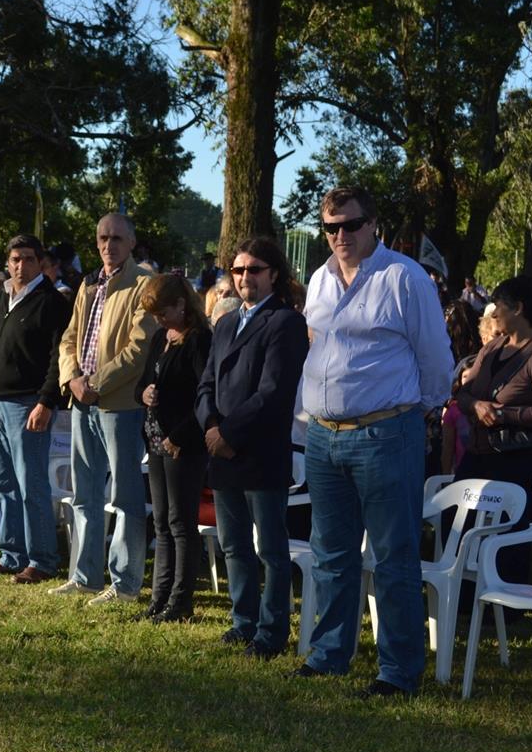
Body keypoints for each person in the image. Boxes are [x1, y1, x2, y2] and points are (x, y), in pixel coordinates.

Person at [296, 186, 453, 697]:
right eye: (330, 227)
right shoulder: (319, 279)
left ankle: (398, 671)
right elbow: (318, 348)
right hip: (324, 437)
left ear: (373, 224)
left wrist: (413, 410)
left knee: (393, 556)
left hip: (387, 433)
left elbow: (435, 357)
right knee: (331, 554)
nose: (340, 236)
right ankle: (328, 655)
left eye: (350, 225)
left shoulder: (404, 277)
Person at [196, 238, 308, 655]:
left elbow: (274, 391)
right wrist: (210, 426)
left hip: (260, 450)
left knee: (272, 551)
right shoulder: (225, 323)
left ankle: (271, 632)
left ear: (273, 274)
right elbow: (206, 382)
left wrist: (228, 434)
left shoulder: (286, 322)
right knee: (234, 545)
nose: (245, 277)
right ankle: (243, 621)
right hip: (221, 451)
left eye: (254, 269)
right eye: (238, 270)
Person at [50, 213, 156, 605]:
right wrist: (73, 379)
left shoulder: (143, 284)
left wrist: (95, 385)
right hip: (82, 403)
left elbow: (138, 348)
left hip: (119, 406)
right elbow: (69, 339)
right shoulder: (89, 283)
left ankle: (125, 584)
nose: (108, 245)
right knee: (85, 494)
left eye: (116, 238)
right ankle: (85, 575)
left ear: (131, 243)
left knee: (126, 498)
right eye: (101, 238)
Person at [454, 276, 532, 580]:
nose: (492, 315)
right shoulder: (493, 349)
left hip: (517, 462)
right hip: (478, 456)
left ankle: (502, 607)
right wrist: (476, 406)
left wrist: (504, 414)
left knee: (504, 540)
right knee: (461, 530)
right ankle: (462, 601)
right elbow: (463, 392)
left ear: (518, 308)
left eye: (498, 307)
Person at [0, 234, 71, 584]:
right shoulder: (2, 295)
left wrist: (46, 401)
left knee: (31, 484)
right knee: (4, 484)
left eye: (28, 259)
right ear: (8, 261)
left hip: (27, 404)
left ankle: (42, 560)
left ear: (41, 263)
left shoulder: (51, 302)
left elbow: (57, 358)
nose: (20, 265)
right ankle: (12, 553)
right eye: (15, 259)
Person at [135, 272, 211, 623]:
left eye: (163, 312)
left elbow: (204, 397)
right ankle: (159, 596)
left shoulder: (199, 341)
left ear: (182, 304)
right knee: (162, 522)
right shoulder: (160, 338)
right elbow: (143, 384)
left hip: (183, 443)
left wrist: (179, 436)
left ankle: (181, 601)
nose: (158, 320)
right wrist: (144, 393)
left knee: (182, 523)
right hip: (155, 439)